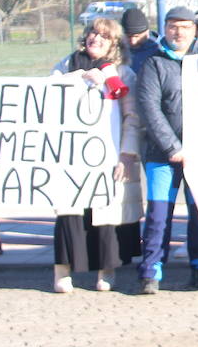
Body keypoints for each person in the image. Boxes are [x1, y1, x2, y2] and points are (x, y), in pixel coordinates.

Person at [51, 18, 143, 293]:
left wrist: (127, 154)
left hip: (108, 154)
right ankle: (62, 270)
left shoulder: (123, 74)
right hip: (72, 156)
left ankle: (107, 269)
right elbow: (47, 94)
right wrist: (78, 78)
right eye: (93, 32)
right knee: (69, 213)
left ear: (113, 43)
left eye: (104, 36)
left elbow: (133, 117)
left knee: (105, 216)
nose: (96, 38)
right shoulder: (66, 65)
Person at [136, 6, 198, 293]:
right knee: (159, 215)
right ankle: (151, 271)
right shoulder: (153, 63)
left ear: (194, 29)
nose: (178, 32)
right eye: (172, 26)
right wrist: (172, 147)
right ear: (165, 28)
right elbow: (149, 109)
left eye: (184, 26)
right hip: (162, 155)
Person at [122, 7, 161, 76]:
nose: (133, 41)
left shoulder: (160, 51)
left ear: (147, 32)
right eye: (128, 36)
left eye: (137, 36)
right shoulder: (117, 51)